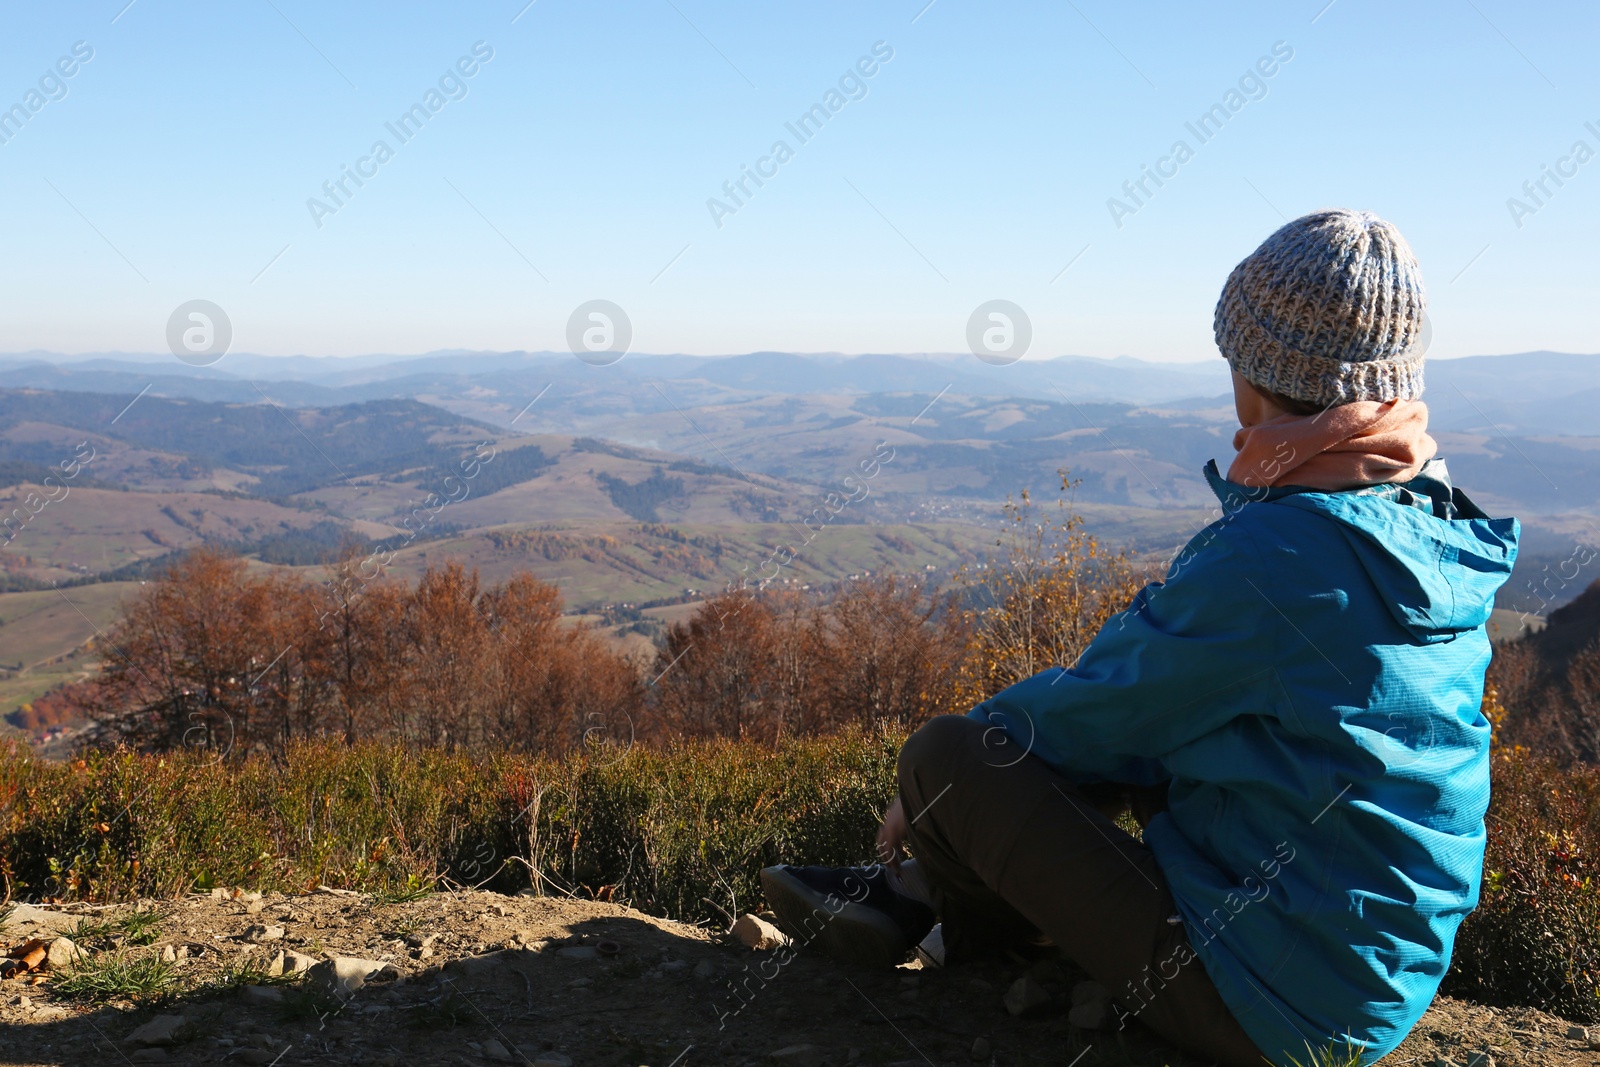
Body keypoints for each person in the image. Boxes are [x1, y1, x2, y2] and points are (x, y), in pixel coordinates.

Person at [762, 209, 1519, 1066]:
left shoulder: (1285, 553)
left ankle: (933, 906)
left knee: (952, 755)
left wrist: (935, 796)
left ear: (1255, 375)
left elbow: (1105, 708)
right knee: (1154, 748)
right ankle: (922, 898)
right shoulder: (1427, 523)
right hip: (1367, 978)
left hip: (1271, 1004)